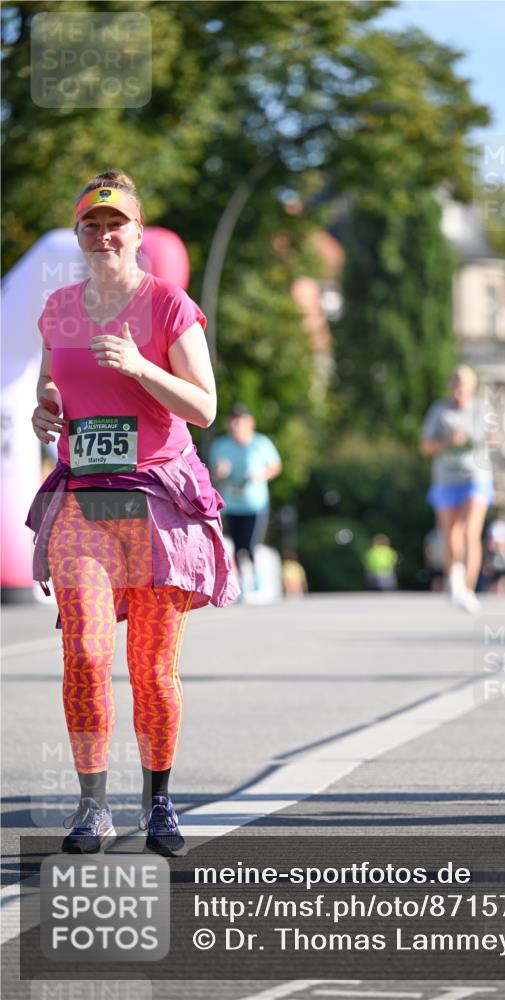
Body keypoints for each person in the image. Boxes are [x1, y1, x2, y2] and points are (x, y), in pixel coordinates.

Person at [27, 169, 239, 856]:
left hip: (156, 502)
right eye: (91, 224)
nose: (104, 234)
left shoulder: (168, 305)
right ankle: (92, 808)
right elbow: (48, 389)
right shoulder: (58, 307)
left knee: (151, 669)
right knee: (85, 652)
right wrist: (44, 411)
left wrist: (140, 368)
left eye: (115, 223)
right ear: (80, 235)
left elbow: (204, 408)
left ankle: (160, 803)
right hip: (84, 498)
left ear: (138, 233)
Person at [420, 365, 495, 613]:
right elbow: (425, 447)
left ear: (471, 387)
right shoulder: (440, 411)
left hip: (476, 477)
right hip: (446, 479)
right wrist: (448, 442)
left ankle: (469, 589)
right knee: (450, 535)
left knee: (470, 532)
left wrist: (474, 437)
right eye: (455, 384)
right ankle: (454, 576)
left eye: (463, 384)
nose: (459, 390)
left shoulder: (482, 409)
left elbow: (496, 436)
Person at [208, 404, 282, 592]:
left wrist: (261, 475)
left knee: (249, 545)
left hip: (254, 504)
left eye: (240, 420)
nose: (236, 424)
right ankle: (241, 583)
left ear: (250, 423)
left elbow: (276, 466)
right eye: (233, 420)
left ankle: (256, 577)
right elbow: (213, 473)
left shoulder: (260, 443)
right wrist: (219, 472)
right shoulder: (221, 445)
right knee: (236, 546)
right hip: (231, 504)